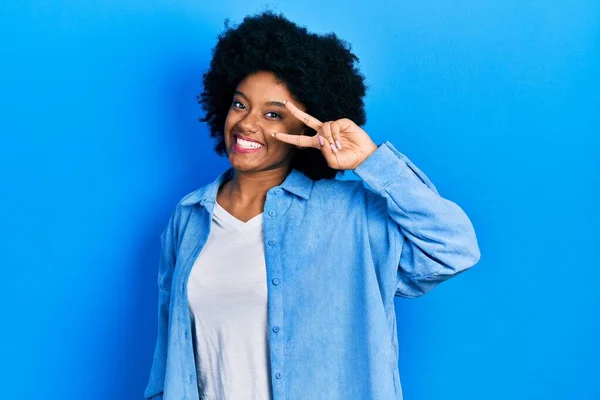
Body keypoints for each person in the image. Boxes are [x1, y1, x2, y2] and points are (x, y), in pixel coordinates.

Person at [144, 9, 481, 400]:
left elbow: (453, 249)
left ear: (306, 127)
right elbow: (168, 365)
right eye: (240, 105)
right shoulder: (189, 217)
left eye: (273, 114)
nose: (248, 123)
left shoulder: (350, 216)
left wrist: (371, 161)